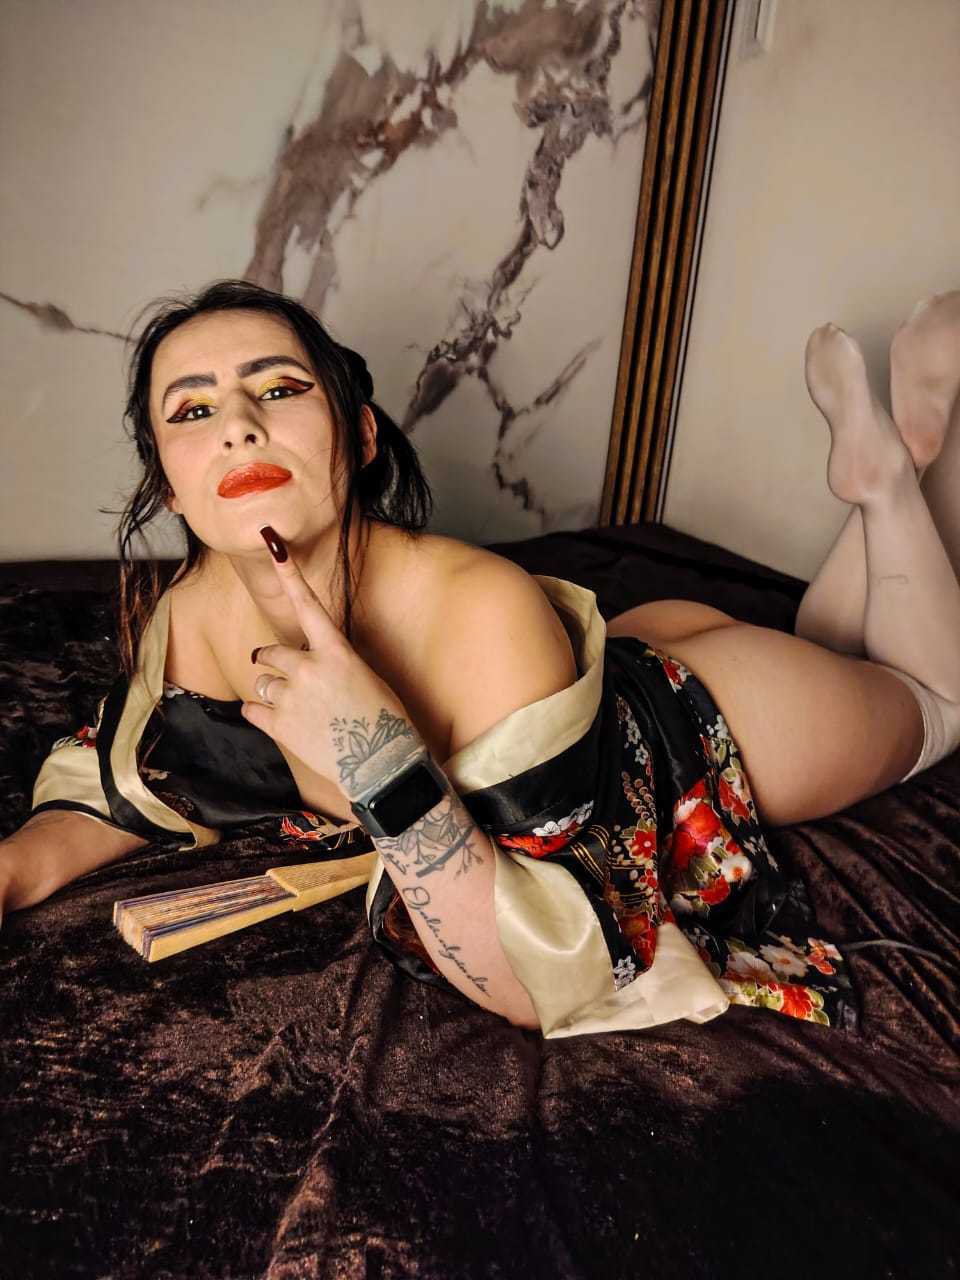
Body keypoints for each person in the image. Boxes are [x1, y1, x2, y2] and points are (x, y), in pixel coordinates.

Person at [2, 281, 959, 1038]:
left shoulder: (483, 608)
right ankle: (910, 458)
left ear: (361, 435)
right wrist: (11, 869)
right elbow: (126, 784)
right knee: (838, 640)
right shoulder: (189, 616)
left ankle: (882, 485)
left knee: (932, 701)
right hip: (579, 689)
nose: (237, 426)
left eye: (279, 389)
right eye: (193, 410)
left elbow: (541, 973)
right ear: (169, 486)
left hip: (699, 734)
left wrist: (380, 759)